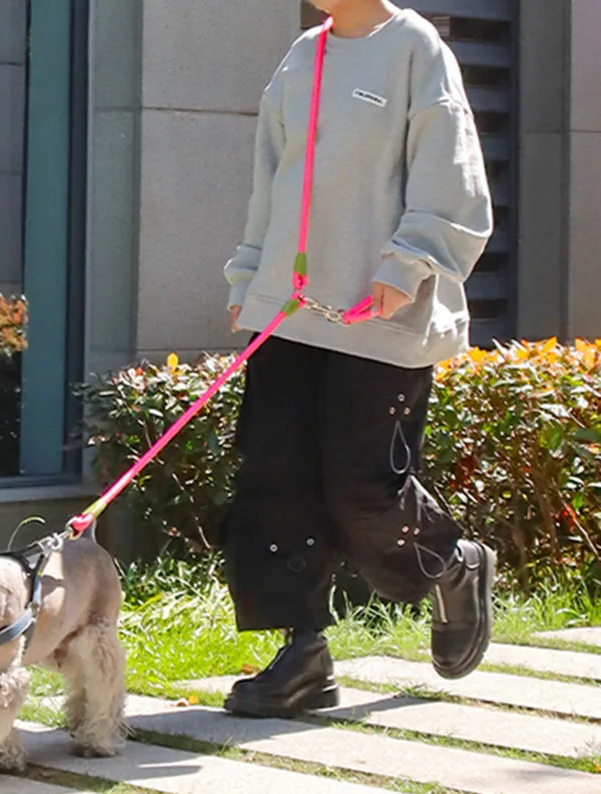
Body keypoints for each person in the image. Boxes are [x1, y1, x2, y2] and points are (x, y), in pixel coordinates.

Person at [220, 0, 495, 719]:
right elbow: (271, 181)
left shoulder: (416, 49)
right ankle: (303, 652)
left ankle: (451, 565)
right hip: (287, 313)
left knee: (363, 484)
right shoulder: (302, 56)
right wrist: (249, 279)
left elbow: (452, 176)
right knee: (273, 479)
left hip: (385, 314)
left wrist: (411, 264)